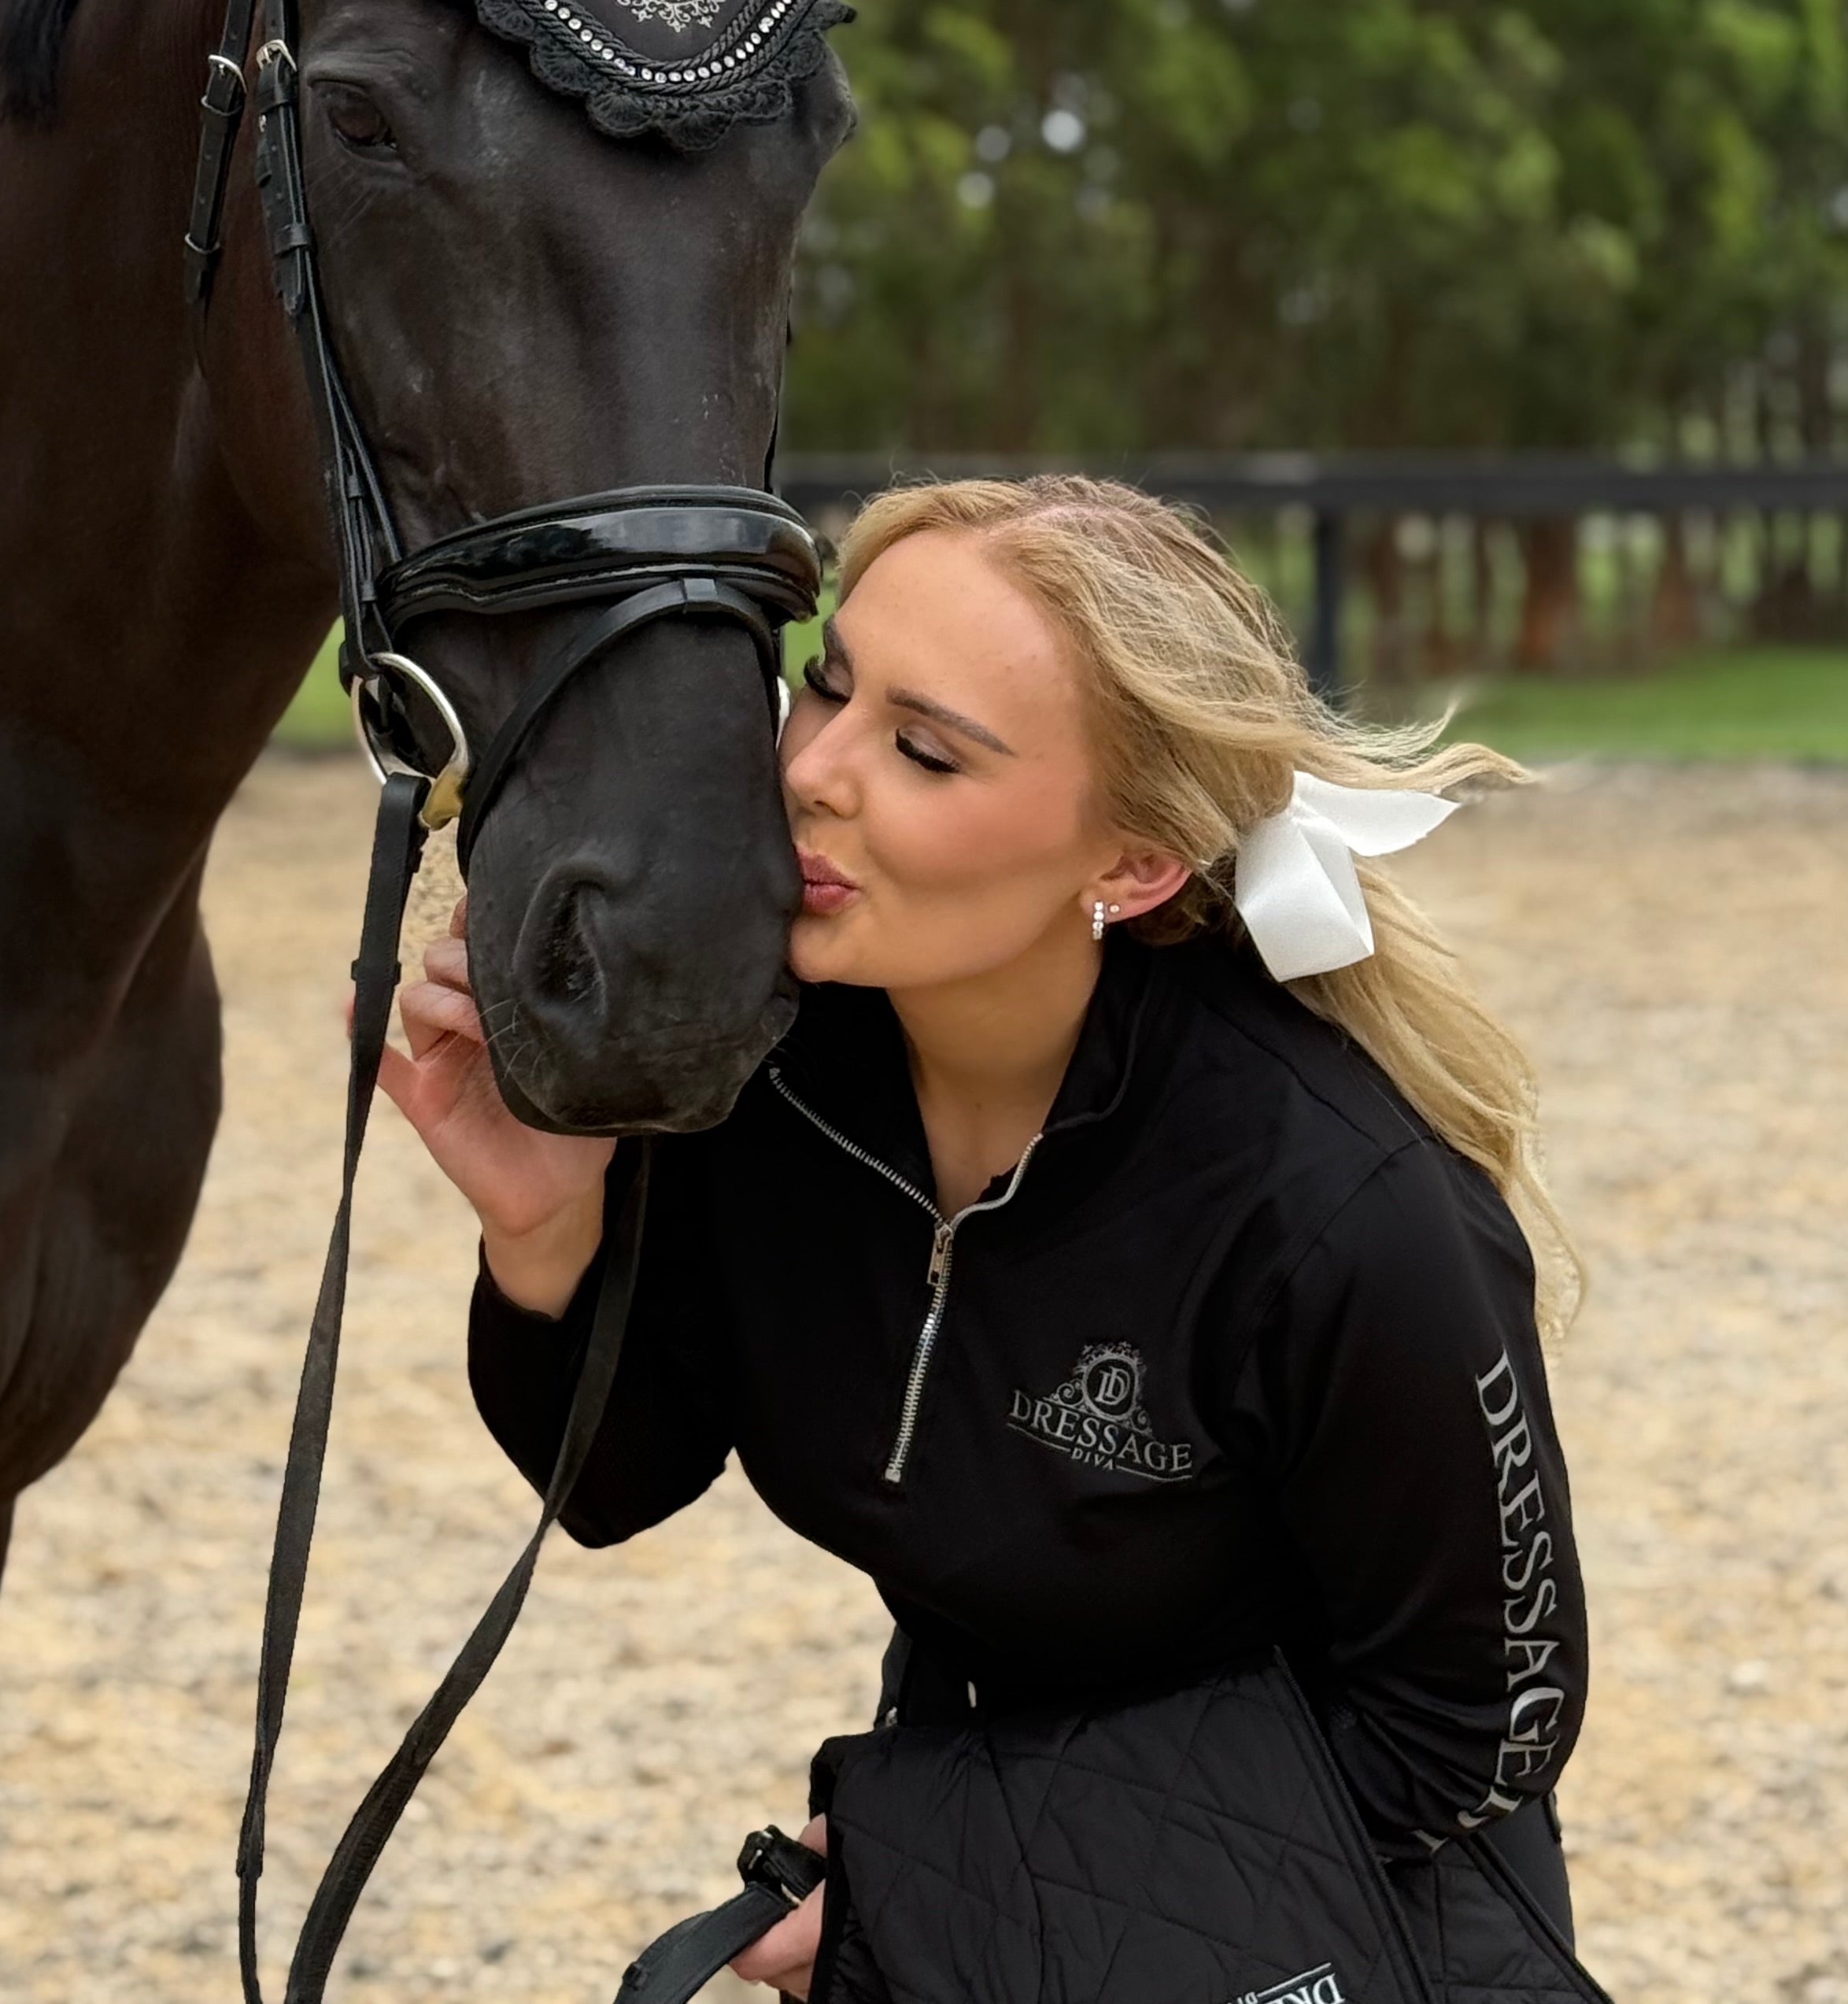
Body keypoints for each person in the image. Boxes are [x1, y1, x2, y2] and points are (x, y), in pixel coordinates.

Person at [379, 475, 1587, 1998]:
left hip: (1347, 1889)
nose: (812, 769)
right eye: (823, 683)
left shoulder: (1344, 1209)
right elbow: (623, 1477)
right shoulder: (770, 1068)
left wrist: (943, 1882)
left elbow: (1477, 1735)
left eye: (923, 749)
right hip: (987, 1787)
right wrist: (546, 1224)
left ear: (1134, 864)